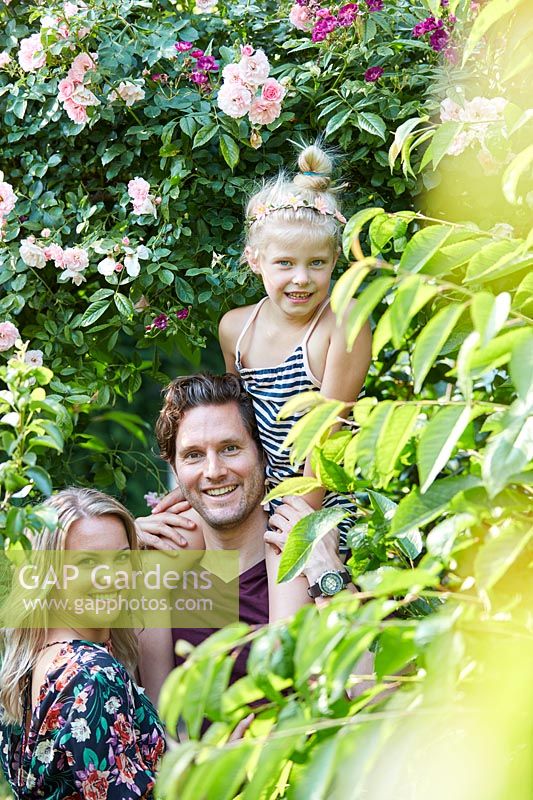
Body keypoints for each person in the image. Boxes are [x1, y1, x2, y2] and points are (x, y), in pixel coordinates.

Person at [137, 373, 351, 703]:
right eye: (194, 455)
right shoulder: (163, 569)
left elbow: (381, 698)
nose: (213, 471)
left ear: (263, 456)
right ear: (176, 469)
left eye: (230, 448)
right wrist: (117, 542)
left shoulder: (313, 561)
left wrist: (329, 576)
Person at [218, 144, 372, 550]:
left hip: (326, 498)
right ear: (255, 260)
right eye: (285, 263)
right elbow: (241, 426)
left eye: (316, 264)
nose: (301, 278)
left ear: (335, 258)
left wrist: (299, 528)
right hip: (261, 493)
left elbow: (327, 431)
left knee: (289, 598)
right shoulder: (236, 329)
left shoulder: (342, 320)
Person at [0, 488, 166, 800]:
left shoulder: (28, 664)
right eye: (88, 561)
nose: (111, 577)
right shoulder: (93, 675)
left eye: (121, 558)